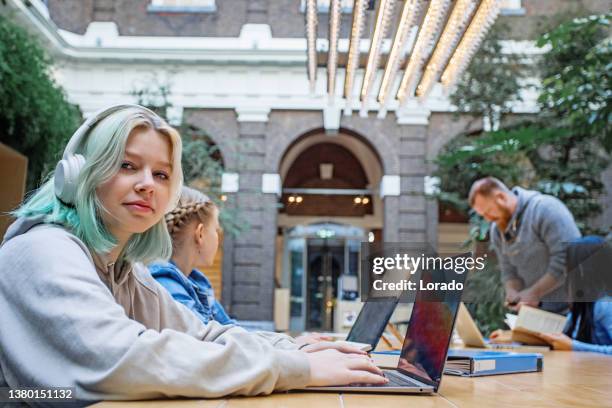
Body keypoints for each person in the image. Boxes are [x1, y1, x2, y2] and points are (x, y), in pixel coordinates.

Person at [0, 104, 387, 404]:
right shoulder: (42, 250)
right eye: (127, 165)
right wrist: (298, 368)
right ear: (78, 172)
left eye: (162, 174)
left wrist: (294, 347)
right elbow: (124, 359)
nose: (148, 185)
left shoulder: (124, 272)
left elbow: (204, 333)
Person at [149, 186, 332, 344]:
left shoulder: (197, 282)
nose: (219, 237)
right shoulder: (165, 284)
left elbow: (233, 332)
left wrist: (290, 342)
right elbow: (212, 343)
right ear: (200, 234)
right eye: (217, 229)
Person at [469, 177, 581, 313]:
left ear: (501, 198)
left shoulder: (545, 209)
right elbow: (508, 270)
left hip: (572, 308)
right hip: (537, 311)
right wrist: (512, 291)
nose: (487, 218)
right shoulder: (497, 230)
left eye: (488, 211)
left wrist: (534, 292)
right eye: (482, 215)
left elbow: (567, 260)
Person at [537, 236, 612, 354]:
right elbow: (563, 335)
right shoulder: (583, 304)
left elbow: (570, 344)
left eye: (570, 265)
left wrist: (574, 346)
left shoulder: (605, 305)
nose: (566, 272)